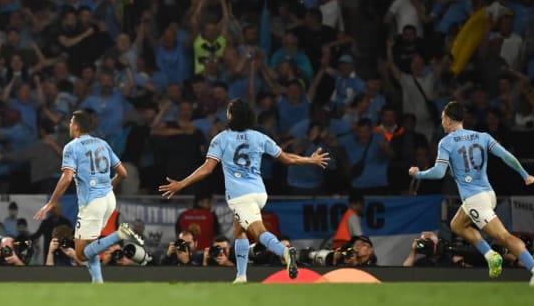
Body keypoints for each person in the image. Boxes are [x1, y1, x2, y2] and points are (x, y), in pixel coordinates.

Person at [159, 98, 330, 283]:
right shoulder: (259, 137)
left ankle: (285, 252)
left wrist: (181, 184)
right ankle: (241, 276)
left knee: (258, 232)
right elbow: (287, 158)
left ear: (231, 116)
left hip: (241, 196)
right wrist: (310, 160)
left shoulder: (221, 139)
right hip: (259, 192)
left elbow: (207, 169)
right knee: (238, 229)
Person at [409, 101, 534, 285]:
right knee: (457, 225)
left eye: (443, 118)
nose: (442, 122)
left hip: (475, 199)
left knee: (504, 237)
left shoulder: (446, 142)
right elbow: (506, 155)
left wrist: (419, 173)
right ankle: (491, 256)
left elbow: (439, 172)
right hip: (488, 194)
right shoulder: (482, 136)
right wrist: (525, 175)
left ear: (449, 120)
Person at [34, 110, 144, 283]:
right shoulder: (102, 144)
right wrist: (110, 185)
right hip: (109, 200)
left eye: (71, 122)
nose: (69, 125)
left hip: (92, 203)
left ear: (76, 126)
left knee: (81, 254)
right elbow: (123, 173)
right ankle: (97, 283)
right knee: (91, 247)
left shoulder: (72, 146)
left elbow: (67, 177)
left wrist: (51, 202)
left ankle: (120, 235)